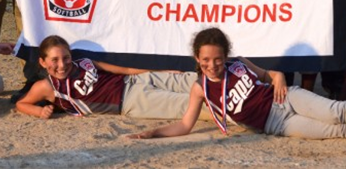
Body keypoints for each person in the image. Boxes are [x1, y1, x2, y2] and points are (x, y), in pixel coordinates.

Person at [126, 28, 346, 143]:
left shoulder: (239, 63)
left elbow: (270, 75)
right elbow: (183, 125)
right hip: (276, 124)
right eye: (206, 60)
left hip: (287, 99)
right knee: (334, 132)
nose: (212, 65)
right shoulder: (199, 88)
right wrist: (152, 132)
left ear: (226, 55)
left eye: (217, 59)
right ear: (197, 58)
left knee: (337, 111)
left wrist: (275, 76)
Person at [16, 35, 209, 121]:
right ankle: (234, 106)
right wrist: (39, 112)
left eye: (65, 57)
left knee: (188, 79)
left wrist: (158, 73)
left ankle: (231, 82)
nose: (62, 64)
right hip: (130, 101)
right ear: (42, 62)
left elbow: (123, 70)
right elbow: (22, 104)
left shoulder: (84, 62)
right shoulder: (47, 86)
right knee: (188, 104)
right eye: (54, 60)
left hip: (135, 82)